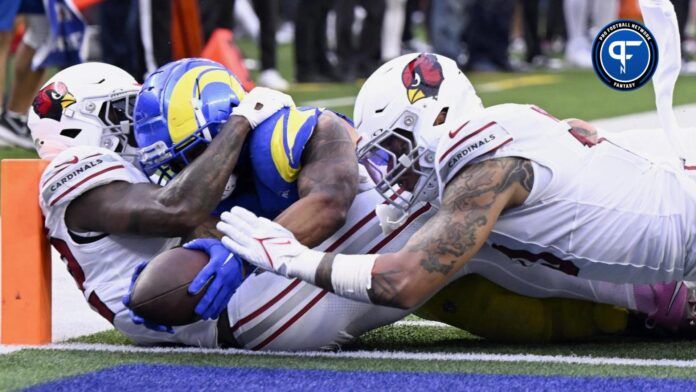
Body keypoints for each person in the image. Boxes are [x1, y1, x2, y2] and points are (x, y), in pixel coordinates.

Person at [216, 52, 696, 326]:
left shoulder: (481, 153)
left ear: (438, 115)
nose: (388, 173)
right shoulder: (502, 144)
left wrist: (294, 259)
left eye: (392, 150)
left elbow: (405, 282)